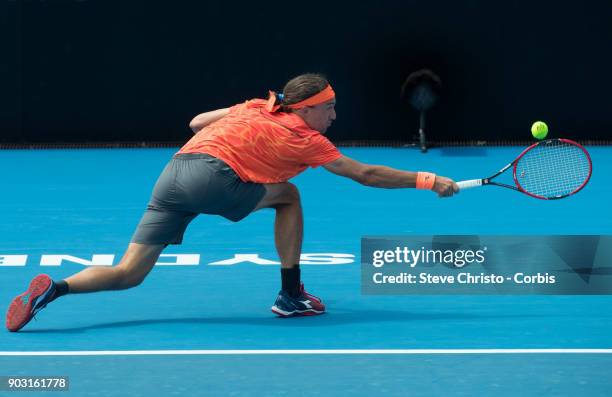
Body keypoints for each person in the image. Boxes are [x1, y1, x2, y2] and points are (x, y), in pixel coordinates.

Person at [5, 73, 458, 332]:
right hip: (215, 176)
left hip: (173, 174)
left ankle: (55, 289)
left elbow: (196, 121)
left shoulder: (255, 107)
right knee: (290, 195)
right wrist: (428, 179)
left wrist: (242, 111)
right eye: (329, 107)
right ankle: (291, 295)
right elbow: (365, 174)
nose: (335, 115)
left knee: (129, 274)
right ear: (305, 110)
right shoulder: (305, 137)